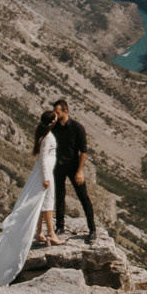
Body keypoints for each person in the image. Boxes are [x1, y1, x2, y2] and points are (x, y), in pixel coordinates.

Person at [0, 110, 57, 287]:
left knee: (39, 205)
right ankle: (50, 233)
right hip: (45, 175)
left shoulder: (44, 134)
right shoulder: (47, 137)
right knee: (47, 204)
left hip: (43, 174)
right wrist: (46, 178)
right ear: (52, 121)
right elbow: (44, 160)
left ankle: (39, 233)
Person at [50, 98, 96, 240]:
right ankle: (60, 226)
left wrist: (80, 171)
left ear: (66, 111)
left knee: (83, 196)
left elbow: (83, 151)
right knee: (59, 195)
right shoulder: (54, 127)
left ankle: (92, 229)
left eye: (57, 113)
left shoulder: (77, 128)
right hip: (59, 165)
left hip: (74, 165)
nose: (55, 115)